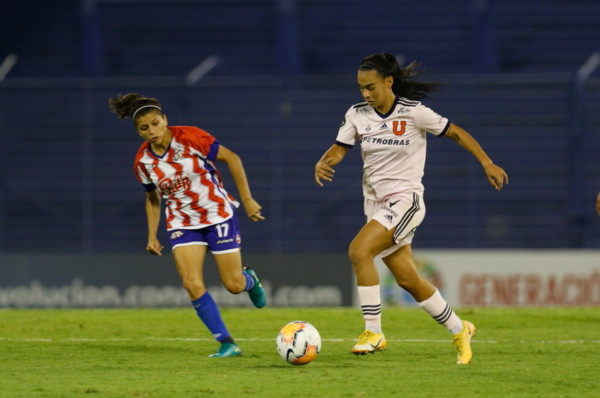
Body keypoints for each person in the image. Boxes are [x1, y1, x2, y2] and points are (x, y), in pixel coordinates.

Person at [314, 53, 508, 365]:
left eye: (371, 87)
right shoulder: (356, 114)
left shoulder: (414, 113)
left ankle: (373, 332)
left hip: (405, 201)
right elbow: (339, 149)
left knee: (359, 251)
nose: (365, 94)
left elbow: (456, 131)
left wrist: (487, 162)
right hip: (376, 204)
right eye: (361, 88)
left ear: (389, 82)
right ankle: (461, 330)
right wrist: (325, 161)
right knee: (408, 279)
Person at [109, 93, 267, 358]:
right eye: (144, 128)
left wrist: (248, 200)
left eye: (156, 123)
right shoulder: (143, 162)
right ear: (139, 132)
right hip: (182, 222)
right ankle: (227, 343)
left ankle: (250, 281)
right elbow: (153, 199)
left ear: (165, 120)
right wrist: (151, 235)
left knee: (233, 285)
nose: (152, 131)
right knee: (191, 283)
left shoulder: (191, 138)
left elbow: (234, 159)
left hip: (217, 215)